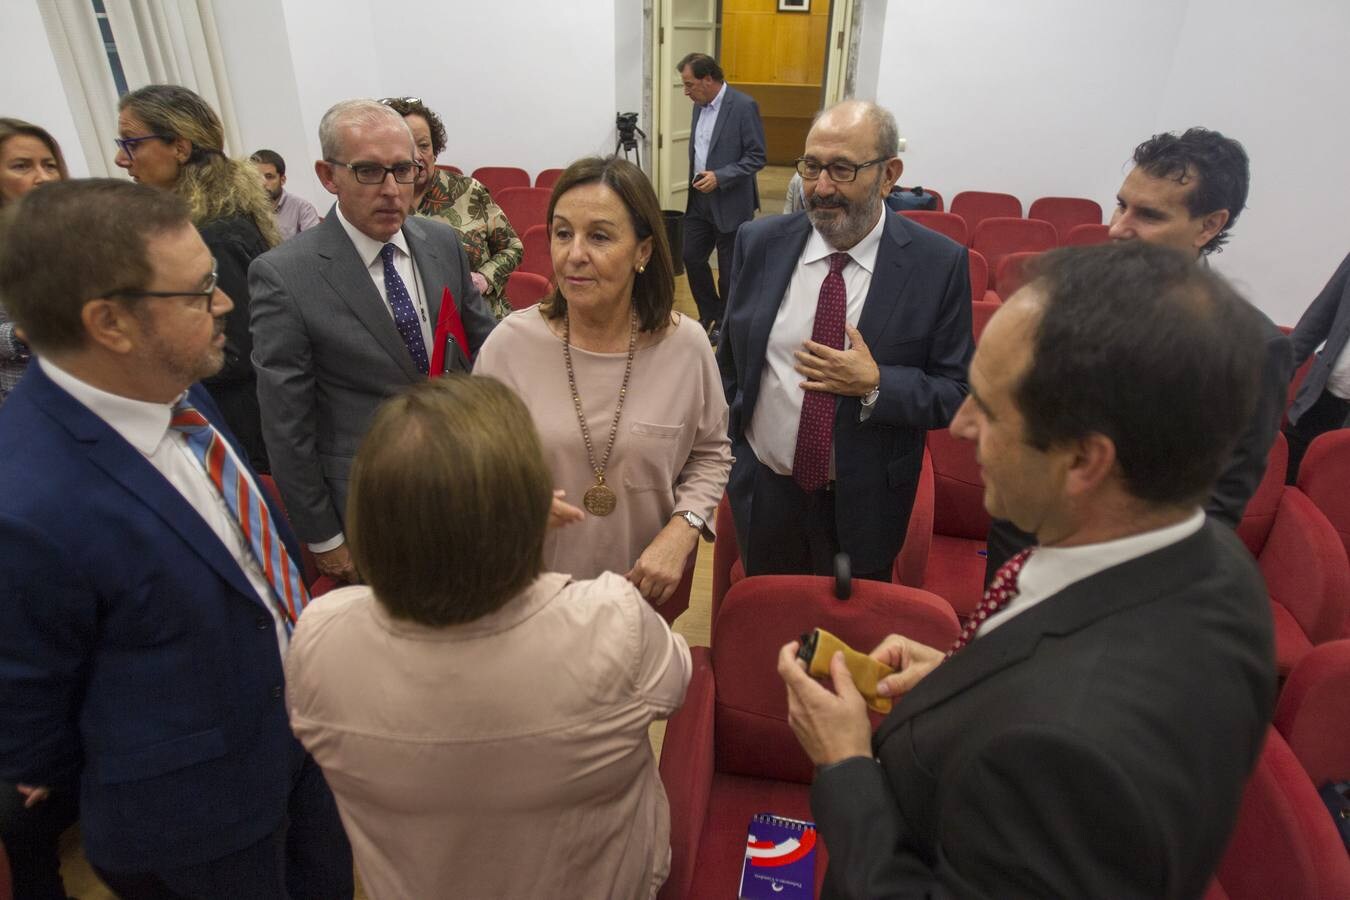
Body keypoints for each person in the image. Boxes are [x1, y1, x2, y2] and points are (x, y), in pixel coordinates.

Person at [779, 241, 1275, 898]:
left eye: (986, 407)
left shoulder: (1069, 756)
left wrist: (844, 766)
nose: (958, 426)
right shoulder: (1210, 559)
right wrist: (971, 678)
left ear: (1081, 462)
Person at [0, 179, 352, 899]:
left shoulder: (169, 384)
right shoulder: (25, 507)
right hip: (195, 825)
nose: (224, 304)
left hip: (299, 750)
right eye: (198, 292)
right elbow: (30, 728)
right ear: (110, 323)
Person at [286, 375, 691, 899]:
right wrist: (508, 532)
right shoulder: (611, 624)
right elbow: (674, 683)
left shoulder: (321, 639)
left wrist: (477, 529)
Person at [985, 127, 1295, 578]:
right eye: (1121, 204)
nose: (1118, 228)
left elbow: (1217, 508)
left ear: (1209, 225)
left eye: (1148, 215)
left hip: (1124, 584)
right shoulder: (1068, 293)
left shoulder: (1254, 347)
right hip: (1020, 546)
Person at [718, 100, 972, 583]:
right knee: (768, 631)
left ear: (889, 175)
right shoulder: (759, 242)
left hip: (865, 508)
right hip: (765, 495)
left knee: (841, 644)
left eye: (842, 169)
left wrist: (877, 384)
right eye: (811, 167)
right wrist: (737, 461)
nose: (821, 187)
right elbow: (731, 362)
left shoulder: (937, 266)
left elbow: (956, 393)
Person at [250, 98, 497, 584]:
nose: (390, 190)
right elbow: (287, 425)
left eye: (402, 170)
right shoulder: (284, 276)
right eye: (368, 172)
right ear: (328, 175)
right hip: (369, 506)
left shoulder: (441, 242)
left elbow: (487, 348)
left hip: (465, 480)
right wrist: (325, 538)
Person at [475, 157, 730, 613]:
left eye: (599, 236)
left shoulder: (686, 347)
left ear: (644, 252)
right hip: (531, 594)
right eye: (562, 232)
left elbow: (710, 453)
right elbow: (474, 465)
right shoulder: (509, 346)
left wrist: (684, 527)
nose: (574, 254)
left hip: (643, 592)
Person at [115, 84, 279, 472]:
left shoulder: (213, 236)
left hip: (245, 427)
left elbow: (235, 352)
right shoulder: (216, 217)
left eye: (132, 143)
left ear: (180, 148)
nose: (121, 159)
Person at [380, 96, 523, 319]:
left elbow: (513, 247)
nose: (416, 156)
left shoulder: (468, 191)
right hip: (422, 331)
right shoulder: (384, 201)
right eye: (406, 146)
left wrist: (485, 278)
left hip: (483, 320)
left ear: (435, 150)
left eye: (424, 145)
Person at [678, 52, 766, 340]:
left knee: (729, 274)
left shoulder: (742, 106)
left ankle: (726, 327)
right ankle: (710, 315)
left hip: (731, 202)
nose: (686, 91)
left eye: (689, 84)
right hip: (699, 200)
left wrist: (721, 177)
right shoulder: (697, 106)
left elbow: (757, 156)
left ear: (708, 79)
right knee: (691, 257)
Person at [0, 118, 66, 407]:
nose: (42, 177)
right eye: (22, 166)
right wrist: (19, 335)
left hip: (97, 388)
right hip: (25, 398)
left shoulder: (85, 229)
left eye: (49, 165)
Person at [1285, 250, 1350, 480]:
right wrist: (1274, 373)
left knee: (1330, 503)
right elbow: (1318, 318)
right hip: (1318, 400)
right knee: (1281, 483)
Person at [250, 148, 321, 240]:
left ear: (282, 180)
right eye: (256, 177)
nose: (262, 183)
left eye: (269, 177)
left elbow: (314, 245)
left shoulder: (302, 209)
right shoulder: (245, 211)